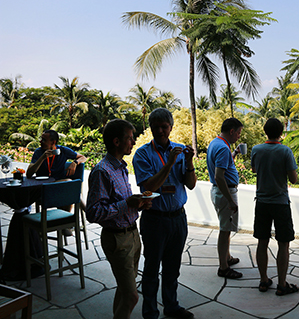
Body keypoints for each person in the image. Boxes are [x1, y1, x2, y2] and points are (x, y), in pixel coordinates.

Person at [133, 108, 196, 319]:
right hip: (155, 220)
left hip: (178, 217)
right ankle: (150, 312)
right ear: (150, 128)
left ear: (171, 127)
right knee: (151, 269)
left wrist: (188, 164)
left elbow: (191, 185)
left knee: (173, 267)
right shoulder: (142, 154)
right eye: (156, 127)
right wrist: (169, 163)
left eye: (164, 127)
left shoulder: (179, 150)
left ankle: (171, 306)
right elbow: (148, 186)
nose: (160, 131)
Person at [86, 119, 152, 319]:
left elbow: (121, 203)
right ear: (116, 141)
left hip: (132, 235)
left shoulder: (121, 167)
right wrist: (127, 204)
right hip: (117, 240)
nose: (133, 143)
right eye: (130, 139)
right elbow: (93, 212)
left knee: (125, 291)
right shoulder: (102, 171)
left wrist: (139, 204)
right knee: (132, 296)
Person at [251, 118, 299, 296]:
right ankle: (282, 284)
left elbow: (255, 170)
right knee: (283, 244)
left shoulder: (256, 149)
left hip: (262, 202)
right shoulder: (285, 151)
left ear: (265, 131)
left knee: (262, 242)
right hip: (280, 203)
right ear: (281, 132)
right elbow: (293, 179)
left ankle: (263, 281)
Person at [27, 129, 87, 235]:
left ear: (53, 142)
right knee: (69, 184)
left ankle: (64, 222)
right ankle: (86, 211)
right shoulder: (38, 152)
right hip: (43, 189)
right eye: (41, 139)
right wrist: (42, 158)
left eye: (44, 140)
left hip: (59, 189)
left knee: (67, 187)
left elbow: (83, 157)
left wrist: (75, 162)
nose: (40, 141)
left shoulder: (63, 151)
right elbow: (29, 174)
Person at [206, 117, 244, 279]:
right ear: (231, 131)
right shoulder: (222, 148)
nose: (239, 137)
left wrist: (234, 153)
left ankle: (227, 257)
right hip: (225, 192)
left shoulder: (217, 143)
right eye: (238, 133)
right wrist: (230, 200)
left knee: (226, 228)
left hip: (220, 191)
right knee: (225, 230)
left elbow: (224, 165)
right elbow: (219, 176)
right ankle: (223, 267)